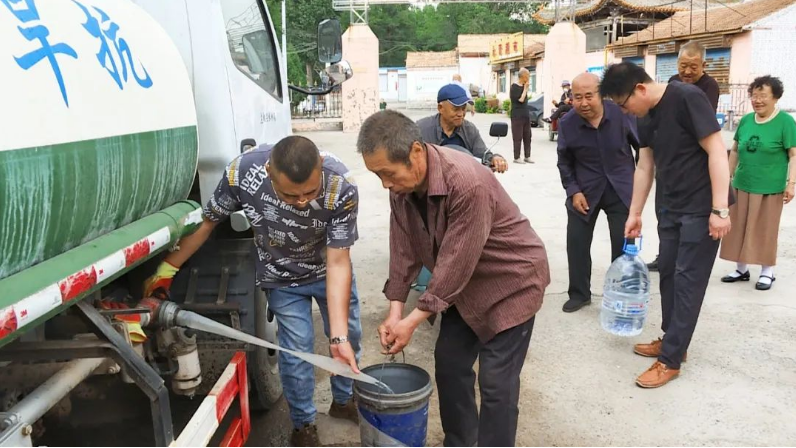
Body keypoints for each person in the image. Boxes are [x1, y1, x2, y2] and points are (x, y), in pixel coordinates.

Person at [142, 136, 362, 446]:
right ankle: (303, 425)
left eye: (310, 193)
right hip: (281, 277)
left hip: (329, 272)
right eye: (290, 195)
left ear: (321, 166)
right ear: (269, 171)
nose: (302, 202)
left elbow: (339, 261)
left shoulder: (341, 185)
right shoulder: (242, 173)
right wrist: (167, 269)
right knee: (297, 351)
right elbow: (208, 222)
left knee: (349, 338)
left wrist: (338, 338)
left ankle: (343, 400)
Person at [357, 110, 550, 447]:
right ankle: (460, 441)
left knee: (497, 383)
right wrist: (395, 312)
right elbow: (402, 247)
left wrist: (412, 321)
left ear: (416, 151)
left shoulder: (467, 182)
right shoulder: (401, 187)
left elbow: (455, 263)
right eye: (377, 175)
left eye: (388, 173)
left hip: (512, 283)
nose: (385, 184)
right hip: (465, 288)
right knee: (449, 363)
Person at [600, 62, 732, 388]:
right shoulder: (644, 115)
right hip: (671, 206)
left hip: (702, 207)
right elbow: (645, 166)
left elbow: (717, 151)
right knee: (669, 274)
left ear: (640, 89)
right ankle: (673, 339)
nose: (625, 111)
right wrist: (634, 212)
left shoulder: (688, 98)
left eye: (624, 104)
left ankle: (670, 360)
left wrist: (720, 209)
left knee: (688, 281)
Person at [556, 73, 639, 313]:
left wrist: (637, 183)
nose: (583, 103)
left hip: (620, 189)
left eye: (589, 96)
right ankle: (579, 294)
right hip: (585, 191)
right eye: (577, 97)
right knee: (577, 243)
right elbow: (564, 162)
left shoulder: (622, 114)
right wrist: (573, 191)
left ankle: (621, 296)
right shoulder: (567, 123)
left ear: (601, 94)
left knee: (623, 246)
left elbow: (642, 149)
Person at [648, 40, 720, 271]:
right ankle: (664, 255)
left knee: (689, 221)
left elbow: (701, 124)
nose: (687, 71)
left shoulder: (709, 86)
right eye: (683, 65)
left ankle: (682, 258)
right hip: (667, 162)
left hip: (693, 163)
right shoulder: (672, 82)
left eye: (693, 67)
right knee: (663, 213)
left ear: (704, 65)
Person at [719, 75, 796, 290]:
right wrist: (727, 177)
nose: (757, 100)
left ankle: (766, 272)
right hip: (742, 183)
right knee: (738, 227)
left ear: (776, 98)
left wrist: (791, 183)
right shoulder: (746, 120)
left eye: (763, 96)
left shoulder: (786, 122)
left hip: (769, 188)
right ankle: (741, 269)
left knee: (765, 229)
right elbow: (735, 150)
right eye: (754, 96)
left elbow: (793, 155)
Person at [416, 83, 509, 173]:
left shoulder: (470, 130)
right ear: (440, 108)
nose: (461, 114)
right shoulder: (421, 129)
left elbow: (483, 155)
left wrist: (495, 159)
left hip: (465, 180)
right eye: (455, 109)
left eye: (463, 108)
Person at [510, 68, 534, 164]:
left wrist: (525, 88)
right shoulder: (514, 87)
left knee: (527, 136)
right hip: (517, 115)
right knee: (517, 137)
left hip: (525, 115)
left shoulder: (524, 86)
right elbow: (521, 100)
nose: (529, 78)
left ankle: (527, 156)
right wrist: (525, 89)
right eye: (528, 76)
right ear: (523, 76)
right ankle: (516, 157)